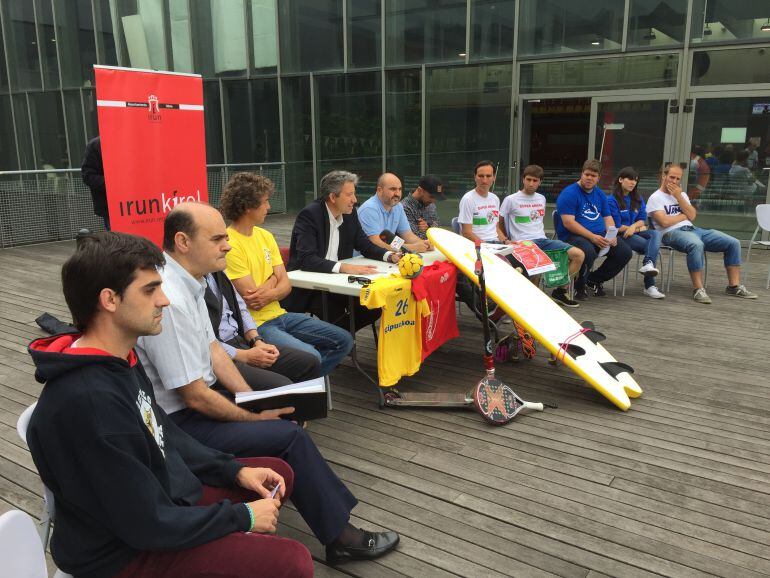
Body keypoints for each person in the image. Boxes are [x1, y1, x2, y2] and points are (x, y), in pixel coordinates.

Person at [27, 231, 314, 578]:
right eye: (150, 290)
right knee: (292, 561)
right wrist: (243, 517)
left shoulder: (120, 359)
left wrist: (233, 470)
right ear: (110, 300)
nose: (164, 301)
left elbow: (164, 433)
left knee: (276, 476)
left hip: (161, 502)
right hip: (123, 554)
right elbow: (146, 524)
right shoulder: (90, 403)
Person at [135, 203, 400, 564]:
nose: (227, 245)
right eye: (217, 239)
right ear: (183, 242)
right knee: (289, 436)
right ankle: (341, 537)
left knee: (283, 410)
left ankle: (325, 519)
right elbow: (194, 396)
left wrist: (251, 399)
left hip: (197, 404)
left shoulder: (189, 282)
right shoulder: (171, 298)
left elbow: (214, 350)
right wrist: (254, 417)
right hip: (179, 424)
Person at [220, 172, 352, 377]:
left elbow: (286, 285)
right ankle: (300, 382)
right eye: (265, 201)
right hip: (256, 326)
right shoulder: (230, 244)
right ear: (248, 207)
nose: (269, 207)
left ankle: (298, 382)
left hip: (280, 314)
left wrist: (274, 282)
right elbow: (255, 299)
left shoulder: (265, 236)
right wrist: (275, 279)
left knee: (344, 340)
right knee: (311, 356)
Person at [283, 170, 402, 330]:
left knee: (372, 310)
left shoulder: (349, 214)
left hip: (339, 283)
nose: (355, 200)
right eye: (350, 194)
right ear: (333, 197)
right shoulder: (310, 215)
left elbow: (365, 245)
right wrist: (345, 267)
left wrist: (390, 256)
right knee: (337, 316)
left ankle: (340, 338)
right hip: (311, 288)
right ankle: (338, 339)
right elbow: (307, 260)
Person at [647, 163, 757, 304]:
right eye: (672, 177)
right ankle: (698, 289)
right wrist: (684, 215)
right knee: (696, 244)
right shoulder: (655, 197)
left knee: (733, 242)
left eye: (678, 178)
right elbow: (664, 222)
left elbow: (692, 215)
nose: (674, 181)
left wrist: (679, 197)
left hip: (693, 230)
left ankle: (733, 286)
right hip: (670, 233)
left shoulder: (681, 195)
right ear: (664, 176)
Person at [205, 269, 321, 390]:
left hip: (242, 339)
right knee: (283, 385)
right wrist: (244, 355)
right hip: (218, 355)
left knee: (310, 362)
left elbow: (240, 307)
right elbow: (254, 297)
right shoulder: (195, 286)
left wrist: (257, 341)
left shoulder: (217, 272)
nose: (227, 253)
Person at [497, 164, 584, 308]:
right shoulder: (511, 200)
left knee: (578, 255)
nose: (531, 184)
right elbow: (498, 225)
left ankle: (560, 291)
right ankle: (534, 302)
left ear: (540, 182)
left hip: (543, 240)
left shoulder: (541, 198)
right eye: (528, 179)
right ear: (523, 179)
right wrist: (505, 240)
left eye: (535, 180)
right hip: (523, 244)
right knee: (537, 264)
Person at [555, 159, 633, 300]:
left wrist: (612, 234)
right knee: (588, 251)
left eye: (593, 176)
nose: (589, 178)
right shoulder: (569, 193)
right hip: (573, 236)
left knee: (624, 252)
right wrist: (592, 237)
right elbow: (568, 223)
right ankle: (579, 286)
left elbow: (607, 217)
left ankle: (593, 279)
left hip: (599, 234)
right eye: (587, 174)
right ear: (582, 174)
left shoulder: (600, 194)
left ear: (599, 178)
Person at [607, 167, 665, 299]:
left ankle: (648, 264)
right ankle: (649, 286)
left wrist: (634, 227)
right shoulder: (611, 200)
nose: (633, 182)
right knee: (651, 246)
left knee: (656, 234)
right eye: (630, 179)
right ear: (620, 179)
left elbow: (642, 220)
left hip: (633, 232)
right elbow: (616, 226)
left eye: (635, 180)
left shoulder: (637, 198)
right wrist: (637, 228)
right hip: (621, 236)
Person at [357, 172, 432, 253]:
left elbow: (408, 235)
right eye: (393, 189)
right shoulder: (369, 209)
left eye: (400, 189)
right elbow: (376, 243)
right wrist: (411, 248)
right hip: (364, 258)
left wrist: (424, 244)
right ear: (379, 190)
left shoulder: (398, 206)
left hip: (387, 256)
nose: (397, 194)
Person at [458, 160, 506, 244]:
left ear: (494, 177)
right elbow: (466, 232)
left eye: (488, 176)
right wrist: (486, 245)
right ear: (475, 177)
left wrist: (506, 241)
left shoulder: (495, 199)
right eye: (481, 176)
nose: (484, 180)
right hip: (478, 245)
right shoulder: (468, 199)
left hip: (496, 244)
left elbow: (496, 228)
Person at [402, 174, 443, 240]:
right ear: (420, 190)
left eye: (436, 197)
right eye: (431, 196)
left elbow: (439, 230)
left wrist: (428, 228)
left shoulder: (431, 205)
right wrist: (431, 228)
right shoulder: (404, 207)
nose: (433, 201)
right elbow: (413, 238)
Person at [81, 136, 110, 230]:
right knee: (118, 238)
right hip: (110, 208)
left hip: (138, 204)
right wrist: (113, 184)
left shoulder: (132, 140)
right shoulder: (96, 145)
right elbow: (88, 176)